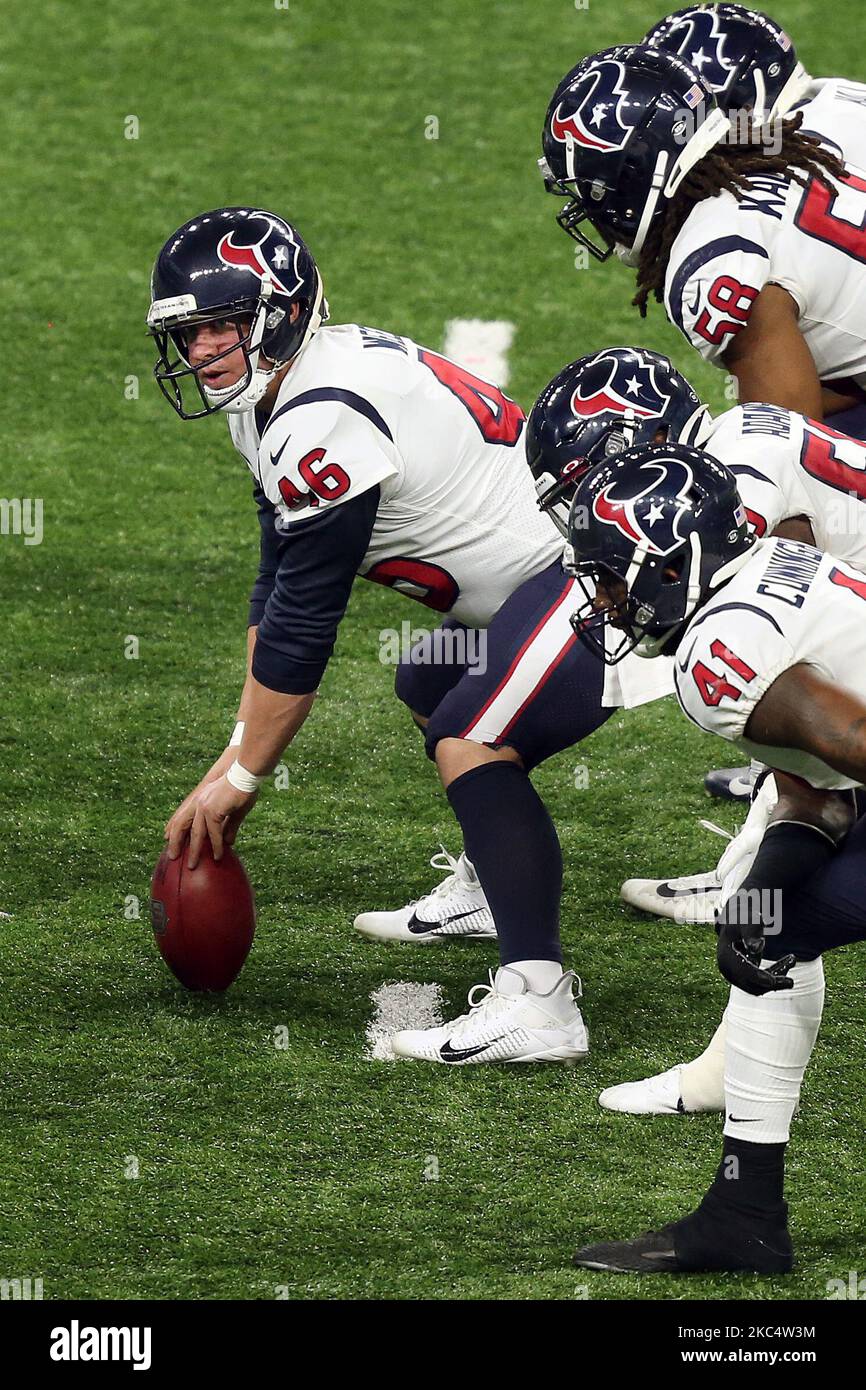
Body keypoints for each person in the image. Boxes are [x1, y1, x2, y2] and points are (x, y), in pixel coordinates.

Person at [148, 205, 664, 1065]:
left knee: (472, 736)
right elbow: (277, 580)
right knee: (429, 682)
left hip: (599, 578)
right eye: (189, 332)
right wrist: (236, 747)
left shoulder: (320, 411)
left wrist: (244, 777)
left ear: (278, 314)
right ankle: (496, 889)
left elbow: (309, 620)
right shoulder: (271, 392)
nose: (201, 351)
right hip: (550, 581)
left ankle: (539, 1005)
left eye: (221, 327)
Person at [541, 34, 866, 804]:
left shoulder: (711, 258)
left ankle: (811, 790)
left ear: (625, 181)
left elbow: (790, 437)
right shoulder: (808, 127)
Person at [564, 439, 864, 1274]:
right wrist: (756, 896)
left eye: (615, 575)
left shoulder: (720, 657)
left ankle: (744, 1217)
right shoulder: (766, 569)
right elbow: (823, 792)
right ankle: (743, 1216)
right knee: (780, 925)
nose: (605, 599)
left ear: (671, 567)